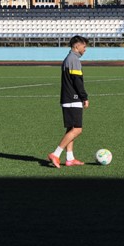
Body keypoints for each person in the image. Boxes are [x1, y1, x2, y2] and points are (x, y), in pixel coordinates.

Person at [48, 35, 90, 168]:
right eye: (84, 46)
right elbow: (77, 81)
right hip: (73, 98)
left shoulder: (69, 58)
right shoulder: (74, 59)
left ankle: (70, 158)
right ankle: (55, 154)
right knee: (77, 130)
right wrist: (84, 97)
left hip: (68, 98)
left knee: (71, 129)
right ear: (77, 46)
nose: (85, 49)